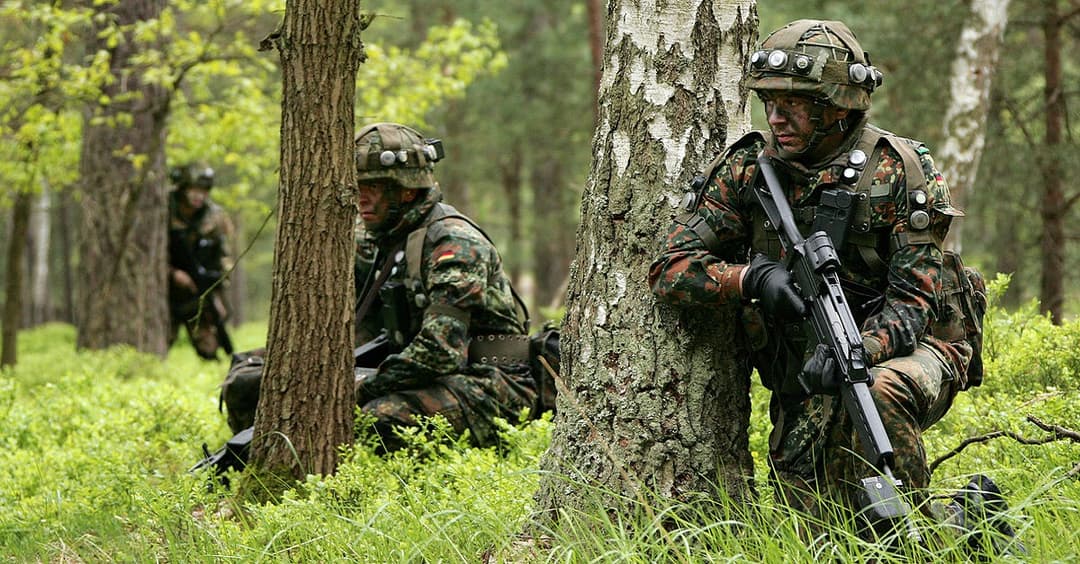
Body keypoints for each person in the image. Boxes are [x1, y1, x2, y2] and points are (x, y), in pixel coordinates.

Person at [649, 19, 973, 531]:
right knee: (817, 530)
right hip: (804, 369)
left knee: (882, 403)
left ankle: (942, 533)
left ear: (837, 106)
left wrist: (859, 351)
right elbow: (670, 268)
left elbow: (914, 303)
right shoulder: (749, 169)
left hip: (915, 350)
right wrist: (750, 279)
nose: (776, 118)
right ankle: (961, 522)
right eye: (769, 104)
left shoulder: (898, 170)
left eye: (793, 105)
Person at [350, 122, 538, 452]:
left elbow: (440, 351)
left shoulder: (453, 243)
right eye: (357, 187)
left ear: (406, 191)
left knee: (379, 418)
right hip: (433, 376)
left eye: (374, 187)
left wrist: (360, 388)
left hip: (494, 384)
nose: (361, 198)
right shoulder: (385, 240)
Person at [167, 162, 234, 360]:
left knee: (209, 349)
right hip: (164, 291)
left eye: (204, 191)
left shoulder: (215, 217)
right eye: (194, 190)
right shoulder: (162, 209)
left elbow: (224, 258)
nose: (199, 196)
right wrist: (172, 273)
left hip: (198, 291)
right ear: (182, 188)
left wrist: (218, 294)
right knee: (159, 344)